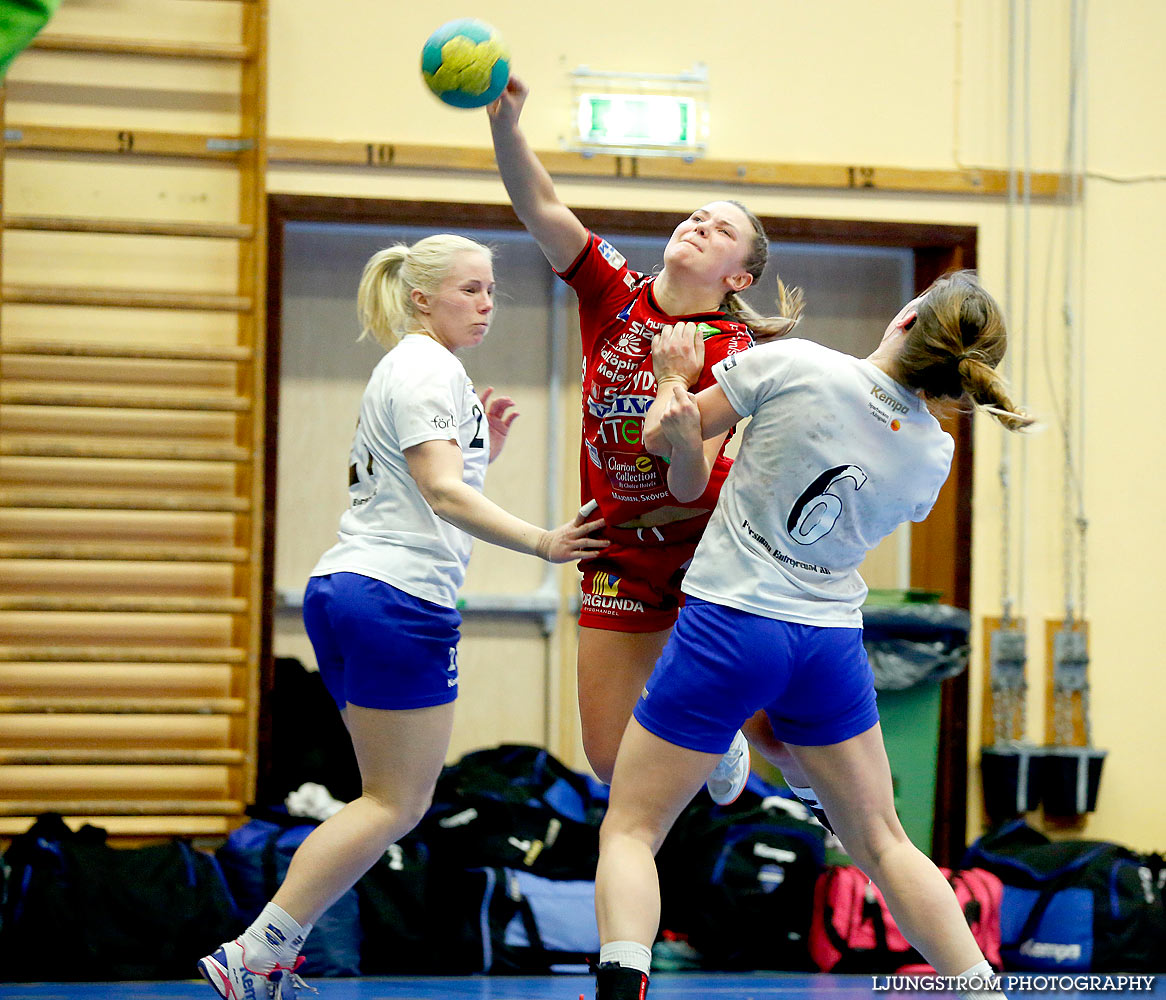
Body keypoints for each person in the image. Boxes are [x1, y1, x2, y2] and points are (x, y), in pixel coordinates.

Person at [591, 271, 1033, 1000]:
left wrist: (671, 374)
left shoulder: (795, 363)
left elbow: (664, 438)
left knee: (632, 830)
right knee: (886, 844)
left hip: (733, 623)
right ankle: (981, 990)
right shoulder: (933, 452)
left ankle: (620, 989)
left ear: (908, 316)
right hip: (827, 644)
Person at [197, 234, 607, 1000]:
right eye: (469, 290)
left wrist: (484, 453)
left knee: (383, 800)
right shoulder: (426, 367)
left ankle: (261, 955)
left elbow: (435, 488)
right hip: (394, 599)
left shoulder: (419, 371)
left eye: (491, 290)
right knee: (396, 803)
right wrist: (544, 541)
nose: (486, 304)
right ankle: (253, 954)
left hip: (350, 590)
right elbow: (444, 496)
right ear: (422, 297)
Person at [487, 73, 824, 811]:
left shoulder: (735, 351)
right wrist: (508, 126)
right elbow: (541, 207)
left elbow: (687, 482)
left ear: (739, 274)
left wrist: (675, 395)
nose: (699, 224)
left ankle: (801, 776)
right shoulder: (614, 293)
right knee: (611, 764)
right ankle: (718, 738)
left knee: (785, 739)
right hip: (618, 554)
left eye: (721, 228)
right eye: (696, 215)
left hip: (709, 558)